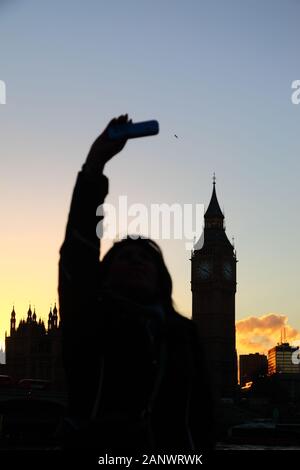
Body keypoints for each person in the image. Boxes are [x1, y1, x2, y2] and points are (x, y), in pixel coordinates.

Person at [58, 115, 214, 453]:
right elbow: (79, 250)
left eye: (145, 258)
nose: (135, 260)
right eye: (123, 257)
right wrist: (95, 164)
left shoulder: (182, 335)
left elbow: (201, 420)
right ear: (104, 275)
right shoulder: (89, 318)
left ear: (162, 276)